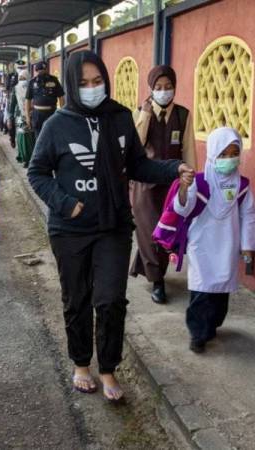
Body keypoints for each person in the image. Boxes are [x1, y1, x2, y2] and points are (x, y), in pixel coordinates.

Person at [27, 51, 194, 401]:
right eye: (84, 83)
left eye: (97, 81)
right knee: (77, 300)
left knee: (110, 301)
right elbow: (37, 172)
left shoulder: (119, 117)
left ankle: (107, 369)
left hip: (113, 225)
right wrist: (66, 204)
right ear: (72, 85)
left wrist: (171, 168)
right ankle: (81, 365)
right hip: (70, 230)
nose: (92, 88)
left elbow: (137, 165)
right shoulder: (57, 124)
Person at [174, 127, 255, 353]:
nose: (229, 159)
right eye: (223, 154)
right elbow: (183, 209)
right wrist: (183, 188)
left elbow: (248, 215)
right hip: (202, 244)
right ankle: (198, 334)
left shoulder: (243, 185)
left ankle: (213, 325)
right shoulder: (199, 182)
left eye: (234, 153)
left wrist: (248, 246)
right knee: (202, 290)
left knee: (220, 290)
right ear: (212, 153)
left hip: (227, 243)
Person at [130, 65, 197, 304]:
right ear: (150, 89)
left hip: (172, 184)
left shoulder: (183, 114)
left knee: (166, 231)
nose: (164, 91)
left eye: (168, 87)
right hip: (145, 185)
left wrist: (190, 181)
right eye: (158, 88)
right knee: (149, 232)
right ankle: (157, 281)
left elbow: (188, 149)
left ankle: (150, 268)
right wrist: (146, 115)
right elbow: (134, 147)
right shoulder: (140, 111)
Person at [25, 61, 65, 137]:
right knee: (38, 137)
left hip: (51, 113)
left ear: (47, 70)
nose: (42, 71)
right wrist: (27, 117)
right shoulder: (32, 82)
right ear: (36, 71)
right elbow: (28, 100)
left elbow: (61, 97)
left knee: (53, 135)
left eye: (44, 69)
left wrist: (62, 113)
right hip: (37, 114)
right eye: (40, 70)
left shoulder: (54, 80)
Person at [9, 69, 35, 168]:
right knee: (22, 137)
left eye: (24, 78)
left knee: (32, 138)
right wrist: (10, 116)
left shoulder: (33, 87)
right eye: (20, 78)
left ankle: (33, 159)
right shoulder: (15, 89)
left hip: (33, 115)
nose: (22, 80)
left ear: (28, 78)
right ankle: (25, 158)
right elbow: (12, 104)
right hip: (21, 116)